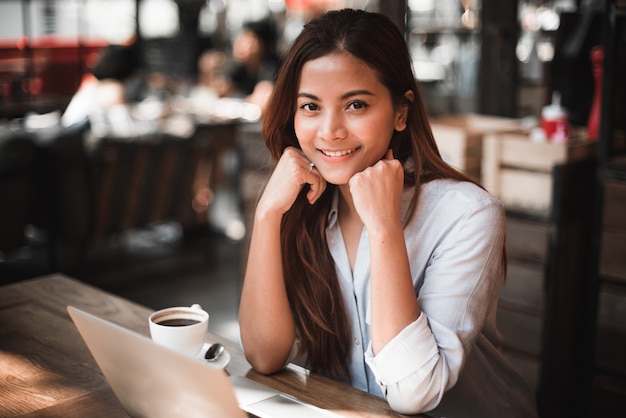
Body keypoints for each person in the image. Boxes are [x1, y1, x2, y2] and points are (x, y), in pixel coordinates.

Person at [238, 8, 538, 418]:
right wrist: (268, 215)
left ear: (401, 111)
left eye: (356, 105)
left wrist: (383, 227)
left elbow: (414, 393)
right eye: (310, 107)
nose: (329, 130)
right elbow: (264, 355)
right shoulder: (300, 204)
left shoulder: (467, 214)